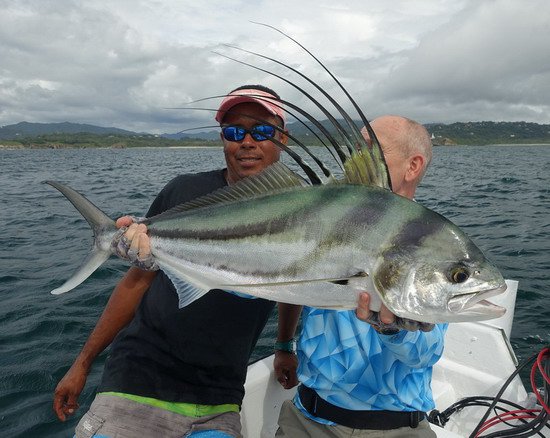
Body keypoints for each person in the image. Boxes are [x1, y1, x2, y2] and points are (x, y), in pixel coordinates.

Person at [53, 85, 288, 438]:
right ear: (224, 140)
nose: (247, 142)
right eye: (234, 132)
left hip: (220, 400)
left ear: (283, 137)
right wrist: (82, 364)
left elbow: (296, 284)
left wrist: (284, 346)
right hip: (137, 384)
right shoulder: (183, 190)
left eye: (263, 131)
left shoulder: (300, 209)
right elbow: (135, 282)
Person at [274, 115, 446, 438]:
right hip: (307, 421)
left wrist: (395, 328)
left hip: (395, 430)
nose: (356, 159)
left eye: (371, 150)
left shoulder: (431, 241)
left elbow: (426, 350)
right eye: (355, 149)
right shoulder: (320, 217)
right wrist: (284, 344)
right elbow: (290, 283)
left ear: (413, 166)